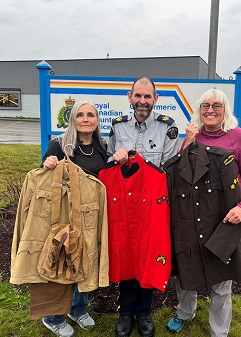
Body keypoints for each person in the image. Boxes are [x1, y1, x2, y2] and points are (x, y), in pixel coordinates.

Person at [164, 88, 241, 337]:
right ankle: (185, 312)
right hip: (188, 215)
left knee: (220, 277)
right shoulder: (191, 135)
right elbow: (178, 173)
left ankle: (219, 330)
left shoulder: (238, 138)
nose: (210, 110)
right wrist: (188, 142)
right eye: (205, 105)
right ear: (199, 110)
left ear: (225, 109)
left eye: (217, 106)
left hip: (222, 217)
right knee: (186, 267)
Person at [106, 77, 179, 337]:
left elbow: (171, 168)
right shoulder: (117, 127)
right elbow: (110, 162)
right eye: (138, 96)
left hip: (152, 205)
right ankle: (125, 313)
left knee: (148, 254)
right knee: (126, 253)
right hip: (125, 205)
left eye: (148, 97)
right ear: (130, 97)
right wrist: (116, 157)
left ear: (155, 99)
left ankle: (144, 312)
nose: (143, 101)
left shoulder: (167, 128)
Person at [41, 100, 108, 337]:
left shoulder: (102, 146)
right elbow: (44, 175)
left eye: (91, 115)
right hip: (64, 216)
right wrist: (48, 162)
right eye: (80, 115)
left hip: (91, 216)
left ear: (98, 120)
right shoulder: (59, 144)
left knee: (85, 260)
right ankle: (53, 317)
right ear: (73, 119)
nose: (86, 119)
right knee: (62, 262)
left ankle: (78, 309)